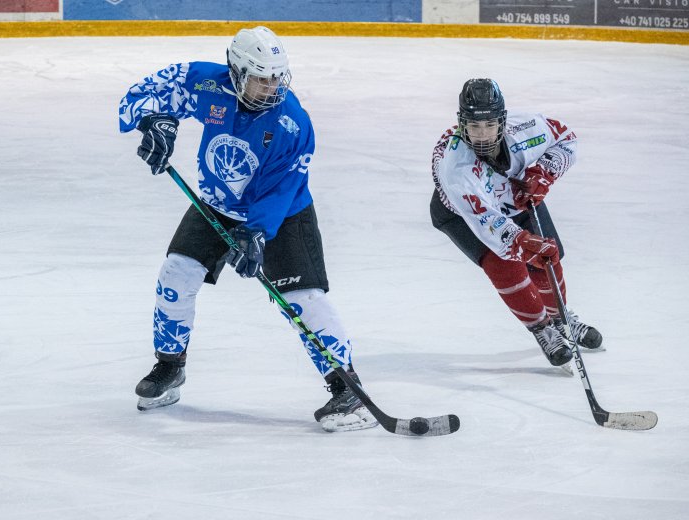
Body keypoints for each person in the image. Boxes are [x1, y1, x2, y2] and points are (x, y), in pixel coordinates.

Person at [118, 26, 377, 432]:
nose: (271, 86)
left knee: (302, 299)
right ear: (236, 72)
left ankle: (346, 389)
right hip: (217, 205)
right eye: (260, 77)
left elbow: (281, 186)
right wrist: (155, 122)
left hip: (282, 215)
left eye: (276, 77)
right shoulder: (208, 83)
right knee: (176, 274)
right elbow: (149, 90)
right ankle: (170, 367)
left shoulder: (292, 122)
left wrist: (255, 233)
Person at [429, 78, 603, 371]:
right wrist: (521, 242)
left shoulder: (526, 128)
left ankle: (560, 318)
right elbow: (487, 222)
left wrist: (543, 173)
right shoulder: (455, 166)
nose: (482, 135)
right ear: (462, 124)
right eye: (474, 127)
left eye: (489, 126)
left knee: (549, 256)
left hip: (514, 195)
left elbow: (567, 138)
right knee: (505, 264)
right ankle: (542, 328)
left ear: (503, 121)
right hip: (463, 215)